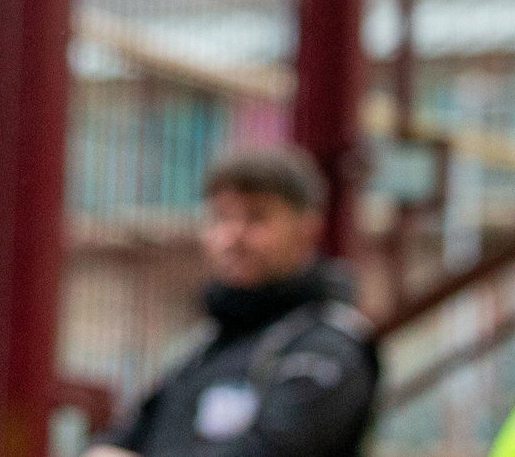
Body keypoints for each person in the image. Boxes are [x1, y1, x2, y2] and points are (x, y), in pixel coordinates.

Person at [87, 147, 379, 457]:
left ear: (307, 230)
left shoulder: (326, 345)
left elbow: (277, 448)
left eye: (256, 219)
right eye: (221, 217)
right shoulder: (208, 344)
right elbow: (129, 434)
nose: (233, 237)